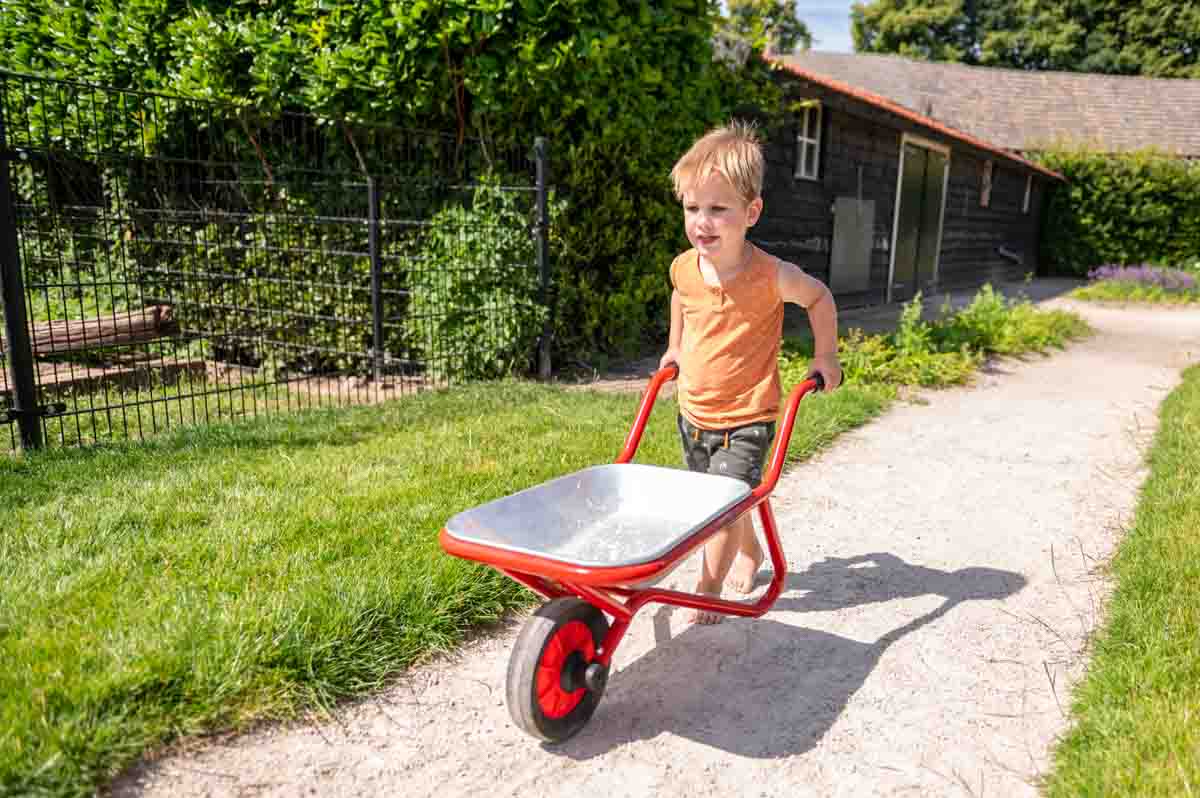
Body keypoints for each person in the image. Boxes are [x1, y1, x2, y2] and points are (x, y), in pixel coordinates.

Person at [659, 121, 843, 624]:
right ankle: (751, 551)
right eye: (693, 208)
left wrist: (825, 357)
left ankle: (708, 587)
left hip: (747, 416)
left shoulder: (770, 275)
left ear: (751, 212)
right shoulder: (684, 267)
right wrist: (675, 347)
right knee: (722, 501)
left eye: (718, 209)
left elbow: (820, 298)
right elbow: (682, 299)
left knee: (717, 508)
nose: (703, 222)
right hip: (693, 410)